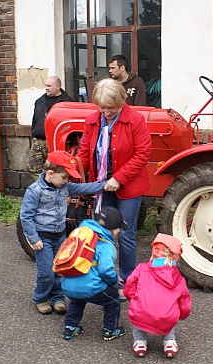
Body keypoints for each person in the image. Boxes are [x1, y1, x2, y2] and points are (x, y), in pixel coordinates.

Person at [76, 78, 152, 301]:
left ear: (122, 101)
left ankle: (128, 281)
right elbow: (83, 153)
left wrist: (119, 177)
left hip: (128, 185)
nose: (106, 112)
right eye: (102, 107)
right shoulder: (92, 121)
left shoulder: (135, 120)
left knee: (126, 234)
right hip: (102, 185)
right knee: (104, 232)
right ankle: (107, 278)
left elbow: (142, 154)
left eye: (111, 107)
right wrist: (73, 175)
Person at [20, 150, 110, 315]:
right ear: (51, 173)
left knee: (60, 269)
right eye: (64, 177)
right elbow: (26, 216)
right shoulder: (34, 191)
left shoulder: (65, 187)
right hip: (43, 238)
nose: (66, 181)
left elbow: (85, 187)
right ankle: (41, 298)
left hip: (60, 236)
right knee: (46, 271)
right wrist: (33, 238)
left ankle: (57, 298)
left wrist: (105, 185)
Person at [61, 206, 128, 341]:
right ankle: (110, 330)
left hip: (68, 285)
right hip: (90, 287)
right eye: (117, 228)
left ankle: (69, 328)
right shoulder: (106, 245)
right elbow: (106, 271)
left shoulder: (80, 234)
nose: (119, 230)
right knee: (113, 299)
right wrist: (115, 281)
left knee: (77, 300)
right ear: (111, 231)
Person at [123, 233, 192, 358]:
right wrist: (181, 315)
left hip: (141, 313)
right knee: (169, 313)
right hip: (166, 317)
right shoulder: (178, 278)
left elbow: (129, 287)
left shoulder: (141, 268)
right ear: (175, 257)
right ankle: (169, 343)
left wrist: (134, 299)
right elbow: (184, 301)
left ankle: (140, 343)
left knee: (139, 317)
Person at [28, 76, 74, 179]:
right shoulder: (40, 101)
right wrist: (34, 133)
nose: (46, 88)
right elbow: (35, 119)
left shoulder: (68, 102)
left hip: (56, 142)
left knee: (56, 169)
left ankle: (53, 188)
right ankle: (45, 186)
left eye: (49, 86)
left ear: (58, 86)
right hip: (39, 140)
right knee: (33, 167)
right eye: (46, 85)